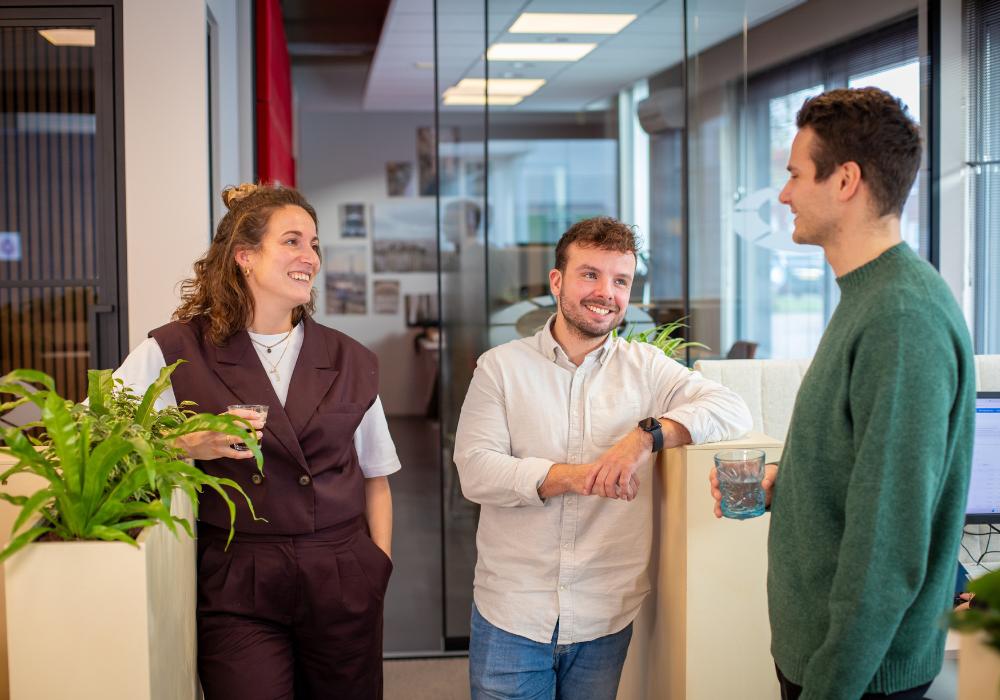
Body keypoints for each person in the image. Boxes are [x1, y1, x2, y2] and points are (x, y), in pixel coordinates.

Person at [709, 88, 975, 700]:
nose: (784, 194)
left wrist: (830, 687)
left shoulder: (901, 318)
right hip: (834, 661)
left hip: (858, 676)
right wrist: (792, 482)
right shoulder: (868, 296)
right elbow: (864, 462)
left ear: (845, 180)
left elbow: (890, 545)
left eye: (796, 174)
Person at [113, 183, 400, 699]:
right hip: (236, 574)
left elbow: (376, 475)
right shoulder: (173, 349)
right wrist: (182, 443)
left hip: (340, 572)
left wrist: (376, 567)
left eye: (314, 244)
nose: (309, 257)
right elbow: (98, 434)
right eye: (292, 241)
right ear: (245, 257)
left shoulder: (351, 359)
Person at [455, 216, 752, 700]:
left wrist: (643, 438)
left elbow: (732, 409)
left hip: (603, 616)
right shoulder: (501, 369)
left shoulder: (648, 368)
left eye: (620, 281)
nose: (605, 293)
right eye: (590, 274)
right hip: (512, 611)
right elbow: (476, 470)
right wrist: (578, 477)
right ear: (558, 281)